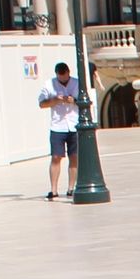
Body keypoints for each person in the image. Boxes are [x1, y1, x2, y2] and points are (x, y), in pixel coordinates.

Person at [40, 61, 79, 198]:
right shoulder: (49, 85)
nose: (63, 80)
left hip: (74, 124)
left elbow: (86, 101)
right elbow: (42, 104)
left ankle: (71, 188)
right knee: (56, 157)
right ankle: (54, 190)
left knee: (74, 157)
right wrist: (55, 100)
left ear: (69, 73)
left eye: (65, 77)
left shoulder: (77, 83)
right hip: (57, 126)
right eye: (60, 78)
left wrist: (73, 100)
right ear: (56, 75)